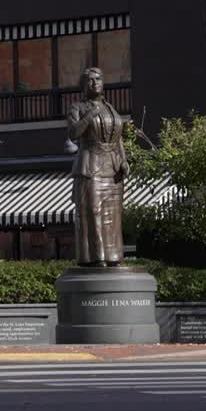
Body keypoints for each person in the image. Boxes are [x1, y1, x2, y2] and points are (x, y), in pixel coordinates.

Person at [66, 66, 128, 267]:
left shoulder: (111, 108)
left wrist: (124, 160)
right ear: (84, 86)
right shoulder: (77, 107)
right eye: (90, 80)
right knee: (93, 212)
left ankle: (113, 256)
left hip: (112, 168)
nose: (95, 83)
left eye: (98, 79)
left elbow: (118, 140)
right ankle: (95, 257)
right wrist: (91, 114)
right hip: (90, 165)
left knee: (114, 214)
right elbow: (74, 133)